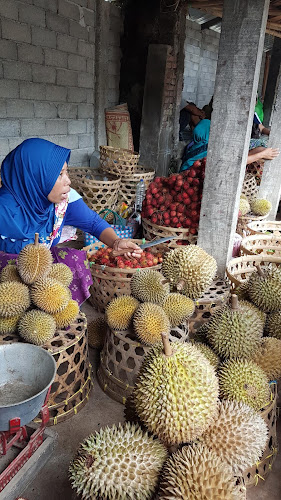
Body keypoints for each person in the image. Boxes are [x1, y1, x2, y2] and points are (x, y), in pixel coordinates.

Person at [0, 138, 142, 304]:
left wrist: (116, 241)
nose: (68, 181)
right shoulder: (4, 209)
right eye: (59, 175)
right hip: (8, 280)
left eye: (66, 172)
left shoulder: (63, 202)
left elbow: (94, 223)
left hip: (42, 271)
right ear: (33, 178)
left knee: (75, 261)